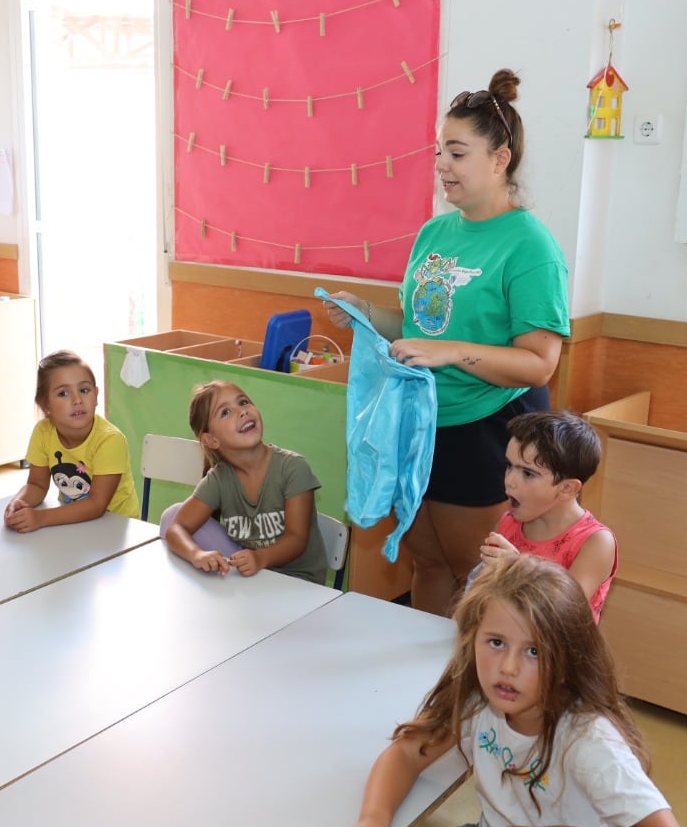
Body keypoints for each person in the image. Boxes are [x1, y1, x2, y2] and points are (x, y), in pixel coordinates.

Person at [324, 556, 687, 827]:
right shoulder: (479, 694)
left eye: (533, 651)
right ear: (472, 636)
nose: (509, 668)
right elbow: (409, 752)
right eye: (495, 642)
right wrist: (373, 823)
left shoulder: (589, 741)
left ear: (568, 659)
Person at [324, 69, 570, 615]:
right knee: (428, 565)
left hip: (488, 428)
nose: (442, 167)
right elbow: (420, 330)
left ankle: (472, 695)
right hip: (422, 421)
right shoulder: (434, 233)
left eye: (457, 154)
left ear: (500, 158)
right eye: (439, 153)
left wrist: (454, 353)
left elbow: (539, 363)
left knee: (478, 580)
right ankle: (427, 693)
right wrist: (365, 314)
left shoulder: (531, 247)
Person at [162, 379, 330, 585]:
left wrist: (259, 558)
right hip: (252, 577)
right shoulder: (219, 478)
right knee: (171, 515)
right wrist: (197, 555)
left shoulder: (293, 468)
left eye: (243, 402)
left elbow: (296, 540)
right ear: (211, 440)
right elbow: (176, 527)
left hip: (299, 583)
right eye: (225, 412)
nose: (242, 411)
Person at [472, 410, 616, 622]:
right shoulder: (507, 523)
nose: (509, 480)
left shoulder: (595, 542)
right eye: (509, 465)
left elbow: (563, 613)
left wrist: (517, 570)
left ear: (567, 488)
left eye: (528, 473)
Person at [5, 349, 140, 530]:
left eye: (84, 390)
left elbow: (97, 505)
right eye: (63, 393)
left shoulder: (110, 440)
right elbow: (37, 485)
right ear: (45, 406)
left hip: (115, 528)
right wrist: (18, 503)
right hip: (73, 523)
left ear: (96, 395)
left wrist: (41, 518)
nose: (77, 399)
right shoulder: (43, 432)